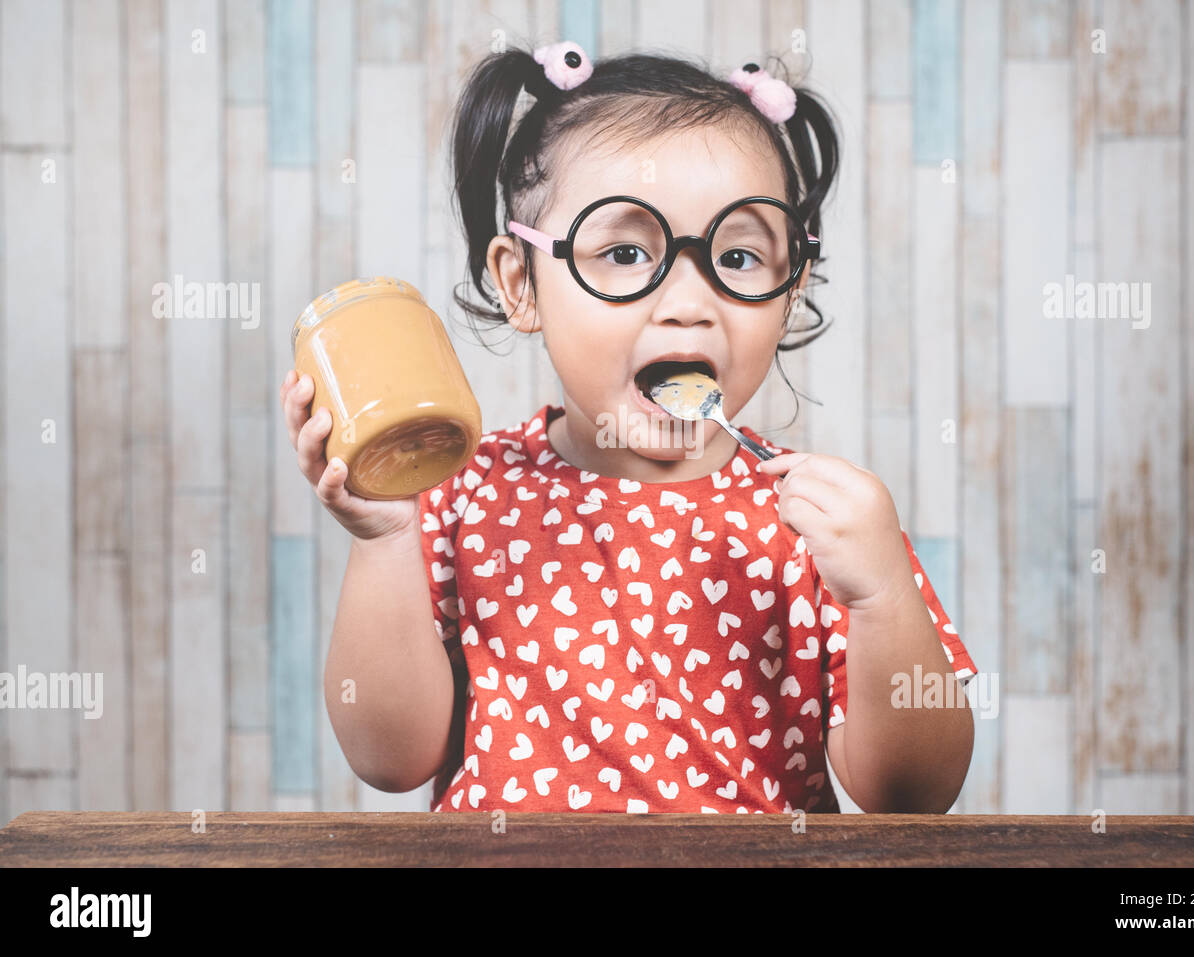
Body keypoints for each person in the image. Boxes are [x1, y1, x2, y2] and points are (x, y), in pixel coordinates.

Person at [284, 41, 977, 814]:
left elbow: (914, 796)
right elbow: (390, 758)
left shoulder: (821, 524)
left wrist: (882, 596)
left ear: (791, 288)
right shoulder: (464, 491)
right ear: (523, 284)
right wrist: (383, 541)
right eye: (623, 251)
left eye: (740, 256)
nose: (688, 299)